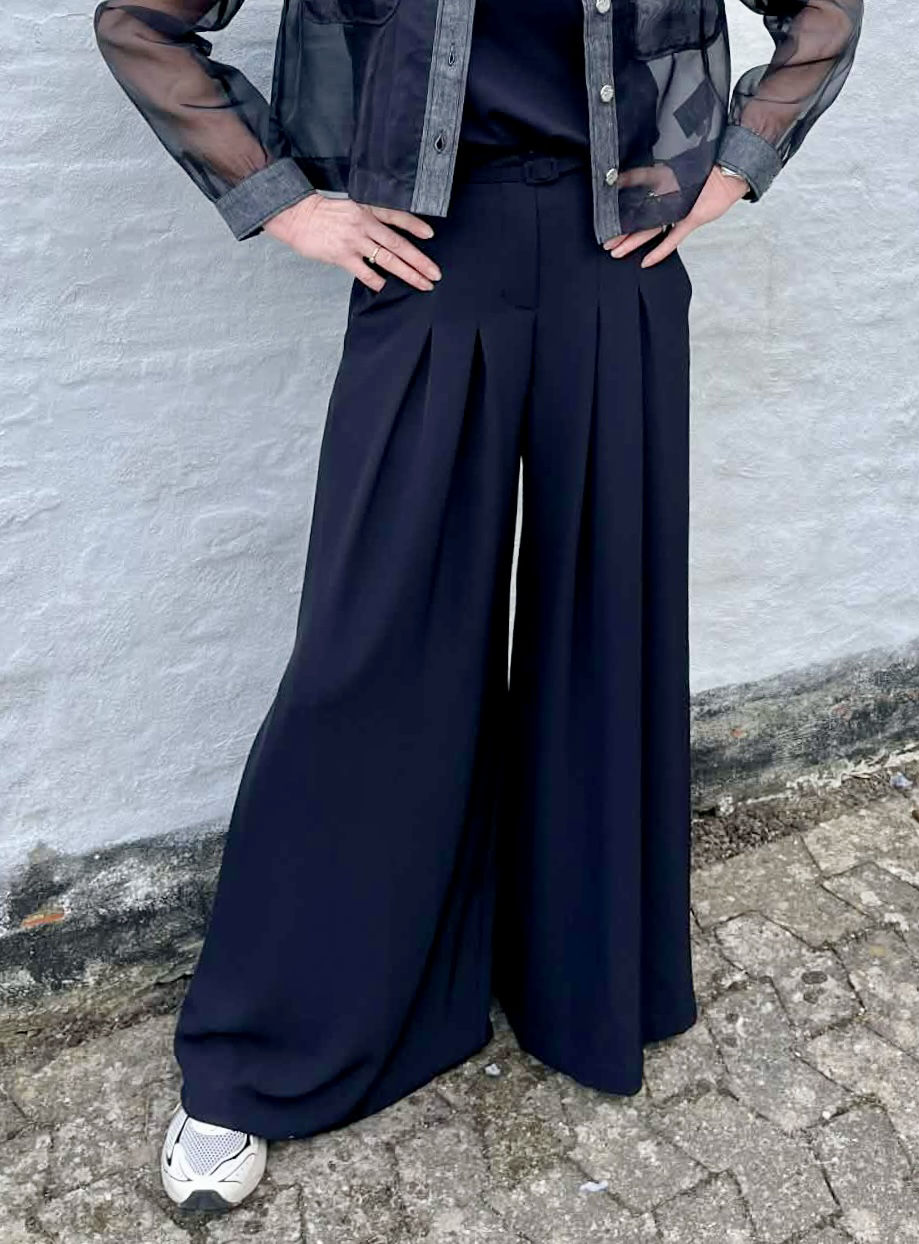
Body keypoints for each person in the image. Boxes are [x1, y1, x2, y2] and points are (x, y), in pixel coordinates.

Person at [91, 0, 863, 1214]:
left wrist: (737, 165)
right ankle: (267, 1048)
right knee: (371, 646)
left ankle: (578, 981)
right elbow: (142, 20)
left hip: (619, 255)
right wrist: (285, 202)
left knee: (606, 624)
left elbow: (823, 10)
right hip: (432, 257)